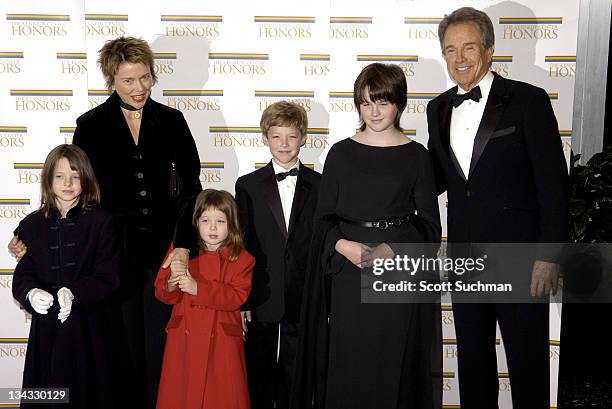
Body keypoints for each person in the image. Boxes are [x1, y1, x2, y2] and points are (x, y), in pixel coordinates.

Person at [9, 36, 202, 408]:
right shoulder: (91, 125)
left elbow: (192, 191)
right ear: (111, 80)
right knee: (119, 355)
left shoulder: (174, 121)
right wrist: (28, 234)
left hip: (164, 259)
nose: (140, 88)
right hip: (111, 262)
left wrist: (182, 246)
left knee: (162, 351)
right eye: (129, 80)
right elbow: (73, 190)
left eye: (145, 78)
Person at [426, 7, 568, 408]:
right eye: (451, 49)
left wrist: (548, 256)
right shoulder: (437, 108)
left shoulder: (528, 100)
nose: (460, 58)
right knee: (472, 362)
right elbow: (437, 179)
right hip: (465, 258)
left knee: (527, 363)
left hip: (521, 259)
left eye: (469, 47)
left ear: (489, 50)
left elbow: (553, 186)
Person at [293, 63, 442, 409]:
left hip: (396, 273)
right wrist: (342, 246)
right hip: (349, 271)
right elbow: (323, 220)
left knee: (393, 364)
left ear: (399, 104)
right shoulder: (340, 153)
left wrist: (393, 247)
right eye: (366, 103)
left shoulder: (418, 157)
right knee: (350, 362)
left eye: (383, 102)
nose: (374, 112)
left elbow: (430, 228)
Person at [11, 144, 122, 409]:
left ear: (86, 178)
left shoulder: (102, 222)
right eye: (59, 176)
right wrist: (30, 292)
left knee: (89, 396)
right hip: (47, 333)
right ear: (48, 179)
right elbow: (23, 274)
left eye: (75, 175)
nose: (68, 183)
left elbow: (109, 276)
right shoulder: (31, 224)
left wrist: (75, 293)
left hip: (90, 332)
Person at [234, 101, 321, 409]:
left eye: (292, 136)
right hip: (261, 295)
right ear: (264, 138)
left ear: (304, 138)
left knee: (298, 377)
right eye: (276, 136)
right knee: (258, 375)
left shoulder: (321, 185)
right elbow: (241, 244)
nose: (284, 144)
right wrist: (242, 298)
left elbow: (324, 243)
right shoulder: (247, 186)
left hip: (304, 295)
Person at [154, 189, 254, 409]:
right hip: (184, 340)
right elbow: (161, 292)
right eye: (205, 220)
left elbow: (236, 296)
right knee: (182, 394)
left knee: (221, 396)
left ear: (232, 224)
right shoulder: (181, 252)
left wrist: (197, 288)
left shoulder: (242, 258)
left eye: (220, 221)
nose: (212, 227)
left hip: (221, 343)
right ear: (196, 222)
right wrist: (171, 285)